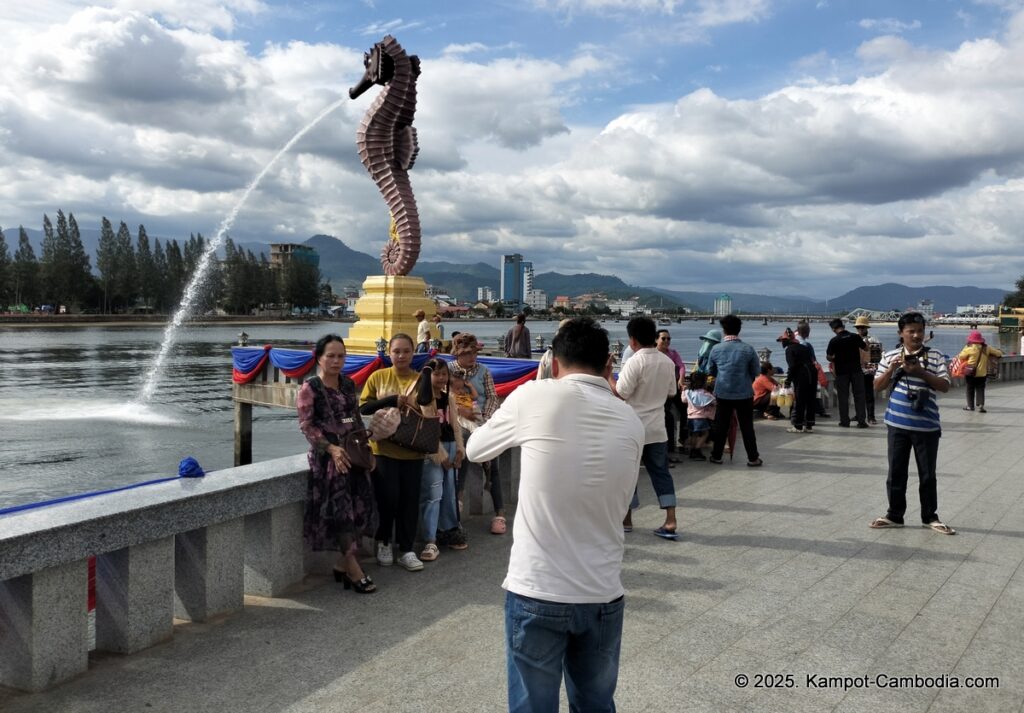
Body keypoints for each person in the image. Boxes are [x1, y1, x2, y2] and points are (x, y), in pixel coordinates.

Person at [464, 317, 644, 713]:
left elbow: (476, 449)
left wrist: (542, 383)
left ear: (553, 361)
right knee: (596, 704)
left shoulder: (534, 395)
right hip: (602, 592)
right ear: (609, 365)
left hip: (538, 589)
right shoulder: (631, 420)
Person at [297, 334, 378, 593]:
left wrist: (367, 451)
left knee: (362, 508)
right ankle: (353, 569)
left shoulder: (347, 384)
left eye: (340, 356)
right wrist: (331, 448)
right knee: (342, 513)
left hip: (353, 455)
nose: (336, 361)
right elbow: (306, 426)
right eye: (330, 356)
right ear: (319, 358)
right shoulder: (310, 388)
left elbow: (356, 420)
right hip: (330, 461)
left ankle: (342, 565)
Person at [869, 312, 955, 535]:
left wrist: (919, 371)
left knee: (927, 474)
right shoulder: (890, 356)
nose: (916, 335)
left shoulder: (935, 356)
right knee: (896, 472)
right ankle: (894, 515)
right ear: (901, 334)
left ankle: (930, 516)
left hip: (927, 426)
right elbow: (877, 386)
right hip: (896, 425)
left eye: (920, 331)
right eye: (911, 331)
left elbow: (945, 385)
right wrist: (891, 369)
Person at [359, 334, 431, 571]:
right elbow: (363, 407)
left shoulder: (420, 379)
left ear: (413, 353)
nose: (401, 356)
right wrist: (391, 400)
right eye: (396, 351)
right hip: (384, 450)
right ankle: (385, 542)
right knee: (387, 499)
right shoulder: (378, 376)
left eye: (406, 351)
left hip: (413, 449)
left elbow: (430, 407)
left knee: (410, 501)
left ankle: (407, 548)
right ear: (389, 353)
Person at [613, 316, 680, 539]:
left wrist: (607, 376)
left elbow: (621, 392)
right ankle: (670, 519)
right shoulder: (667, 362)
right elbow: (672, 392)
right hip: (657, 428)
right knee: (661, 473)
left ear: (632, 340)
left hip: (632, 428)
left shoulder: (635, 362)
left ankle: (627, 519)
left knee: (629, 474)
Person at [448, 332, 507, 534]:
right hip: (456, 421)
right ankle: (457, 506)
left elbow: (492, 397)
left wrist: (485, 416)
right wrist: (457, 412)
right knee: (462, 450)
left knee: (494, 461)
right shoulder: (447, 371)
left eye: (474, 352)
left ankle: (499, 514)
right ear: (457, 354)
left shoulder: (484, 371)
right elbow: (440, 397)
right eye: (467, 353)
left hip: (482, 419)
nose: (472, 357)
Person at [418, 358, 467, 559]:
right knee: (433, 493)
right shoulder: (423, 400)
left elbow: (455, 426)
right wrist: (441, 457)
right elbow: (427, 433)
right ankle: (430, 539)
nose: (440, 378)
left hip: (450, 446)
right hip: (433, 451)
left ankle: (449, 531)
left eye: (444, 374)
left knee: (449, 492)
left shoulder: (449, 398)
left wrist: (459, 451)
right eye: (436, 374)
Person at [707, 314, 763, 467]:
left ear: (724, 330)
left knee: (721, 425)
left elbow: (711, 371)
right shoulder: (748, 349)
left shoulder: (716, 349)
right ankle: (753, 458)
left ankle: (716, 455)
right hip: (744, 393)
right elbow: (756, 371)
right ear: (739, 330)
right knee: (747, 427)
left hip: (723, 392)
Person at [826, 318, 868, 428]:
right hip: (856, 371)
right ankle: (861, 421)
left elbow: (829, 357)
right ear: (843, 326)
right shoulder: (855, 336)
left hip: (841, 373)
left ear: (834, 329)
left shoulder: (834, 341)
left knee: (843, 397)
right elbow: (866, 348)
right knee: (859, 396)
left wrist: (834, 359)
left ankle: (845, 421)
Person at [779, 328, 817, 433]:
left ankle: (798, 426)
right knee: (810, 400)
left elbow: (792, 367)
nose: (782, 342)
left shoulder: (789, 349)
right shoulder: (804, 347)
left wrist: (787, 381)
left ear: (786, 341)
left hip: (802, 376)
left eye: (783, 340)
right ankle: (809, 425)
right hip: (812, 374)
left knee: (800, 401)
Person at [657, 329, 688, 457]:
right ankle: (668, 447)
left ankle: (683, 439)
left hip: (674, 384)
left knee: (685, 409)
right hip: (660, 387)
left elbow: (681, 366)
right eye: (663, 338)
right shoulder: (654, 354)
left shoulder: (673, 353)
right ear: (656, 340)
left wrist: (681, 378)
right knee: (667, 416)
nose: (666, 341)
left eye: (668, 339)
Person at [957, 330, 1003, 412]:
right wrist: (999, 352)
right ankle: (981, 405)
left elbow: (961, 356)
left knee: (970, 389)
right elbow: (998, 353)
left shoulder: (969, 348)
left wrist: (965, 347)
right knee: (980, 389)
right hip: (982, 373)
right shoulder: (986, 348)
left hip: (970, 372)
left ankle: (970, 406)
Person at [795, 320, 830, 418]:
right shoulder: (806, 345)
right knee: (813, 393)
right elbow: (812, 359)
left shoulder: (795, 343)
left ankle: (800, 417)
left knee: (804, 395)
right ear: (807, 332)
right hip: (808, 372)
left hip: (799, 372)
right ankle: (814, 414)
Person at [854, 316, 882, 424]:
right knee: (857, 395)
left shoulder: (873, 340)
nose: (860, 329)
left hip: (868, 371)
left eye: (862, 327)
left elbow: (877, 357)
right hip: (856, 371)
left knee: (869, 395)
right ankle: (859, 415)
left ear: (866, 328)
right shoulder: (853, 339)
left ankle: (871, 417)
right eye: (858, 327)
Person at [681, 371, 716, 460]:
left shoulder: (688, 392)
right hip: (701, 418)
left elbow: (684, 400)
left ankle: (692, 450)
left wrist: (683, 391)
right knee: (705, 433)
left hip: (690, 417)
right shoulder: (705, 394)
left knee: (694, 434)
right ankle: (697, 449)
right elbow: (714, 402)